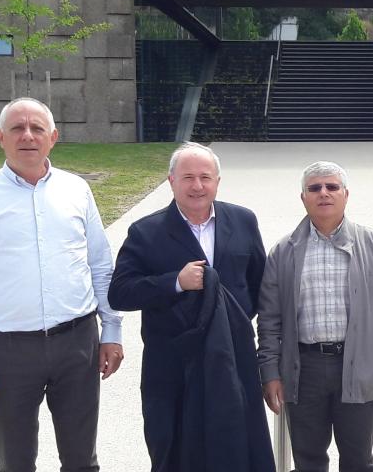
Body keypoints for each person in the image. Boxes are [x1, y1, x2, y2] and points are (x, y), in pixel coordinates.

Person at [0, 96, 124, 471]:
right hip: (9, 352)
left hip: (77, 344)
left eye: (37, 128)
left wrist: (111, 330)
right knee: (16, 461)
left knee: (81, 460)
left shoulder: (77, 191)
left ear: (53, 137)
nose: (28, 135)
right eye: (17, 128)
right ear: (0, 137)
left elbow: (100, 266)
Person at [108, 142, 273, 472]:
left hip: (232, 359)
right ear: (171, 181)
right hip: (172, 365)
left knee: (238, 446)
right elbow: (120, 293)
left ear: (217, 181)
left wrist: (229, 324)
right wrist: (175, 282)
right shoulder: (146, 232)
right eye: (187, 177)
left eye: (204, 177)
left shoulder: (243, 221)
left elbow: (260, 285)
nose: (197, 186)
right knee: (175, 449)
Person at [257, 161, 373, 472]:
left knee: (359, 462)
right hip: (304, 370)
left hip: (358, 367)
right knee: (308, 462)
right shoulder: (283, 252)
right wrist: (270, 372)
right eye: (315, 188)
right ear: (303, 198)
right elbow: (269, 321)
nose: (323, 193)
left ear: (346, 194)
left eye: (332, 187)